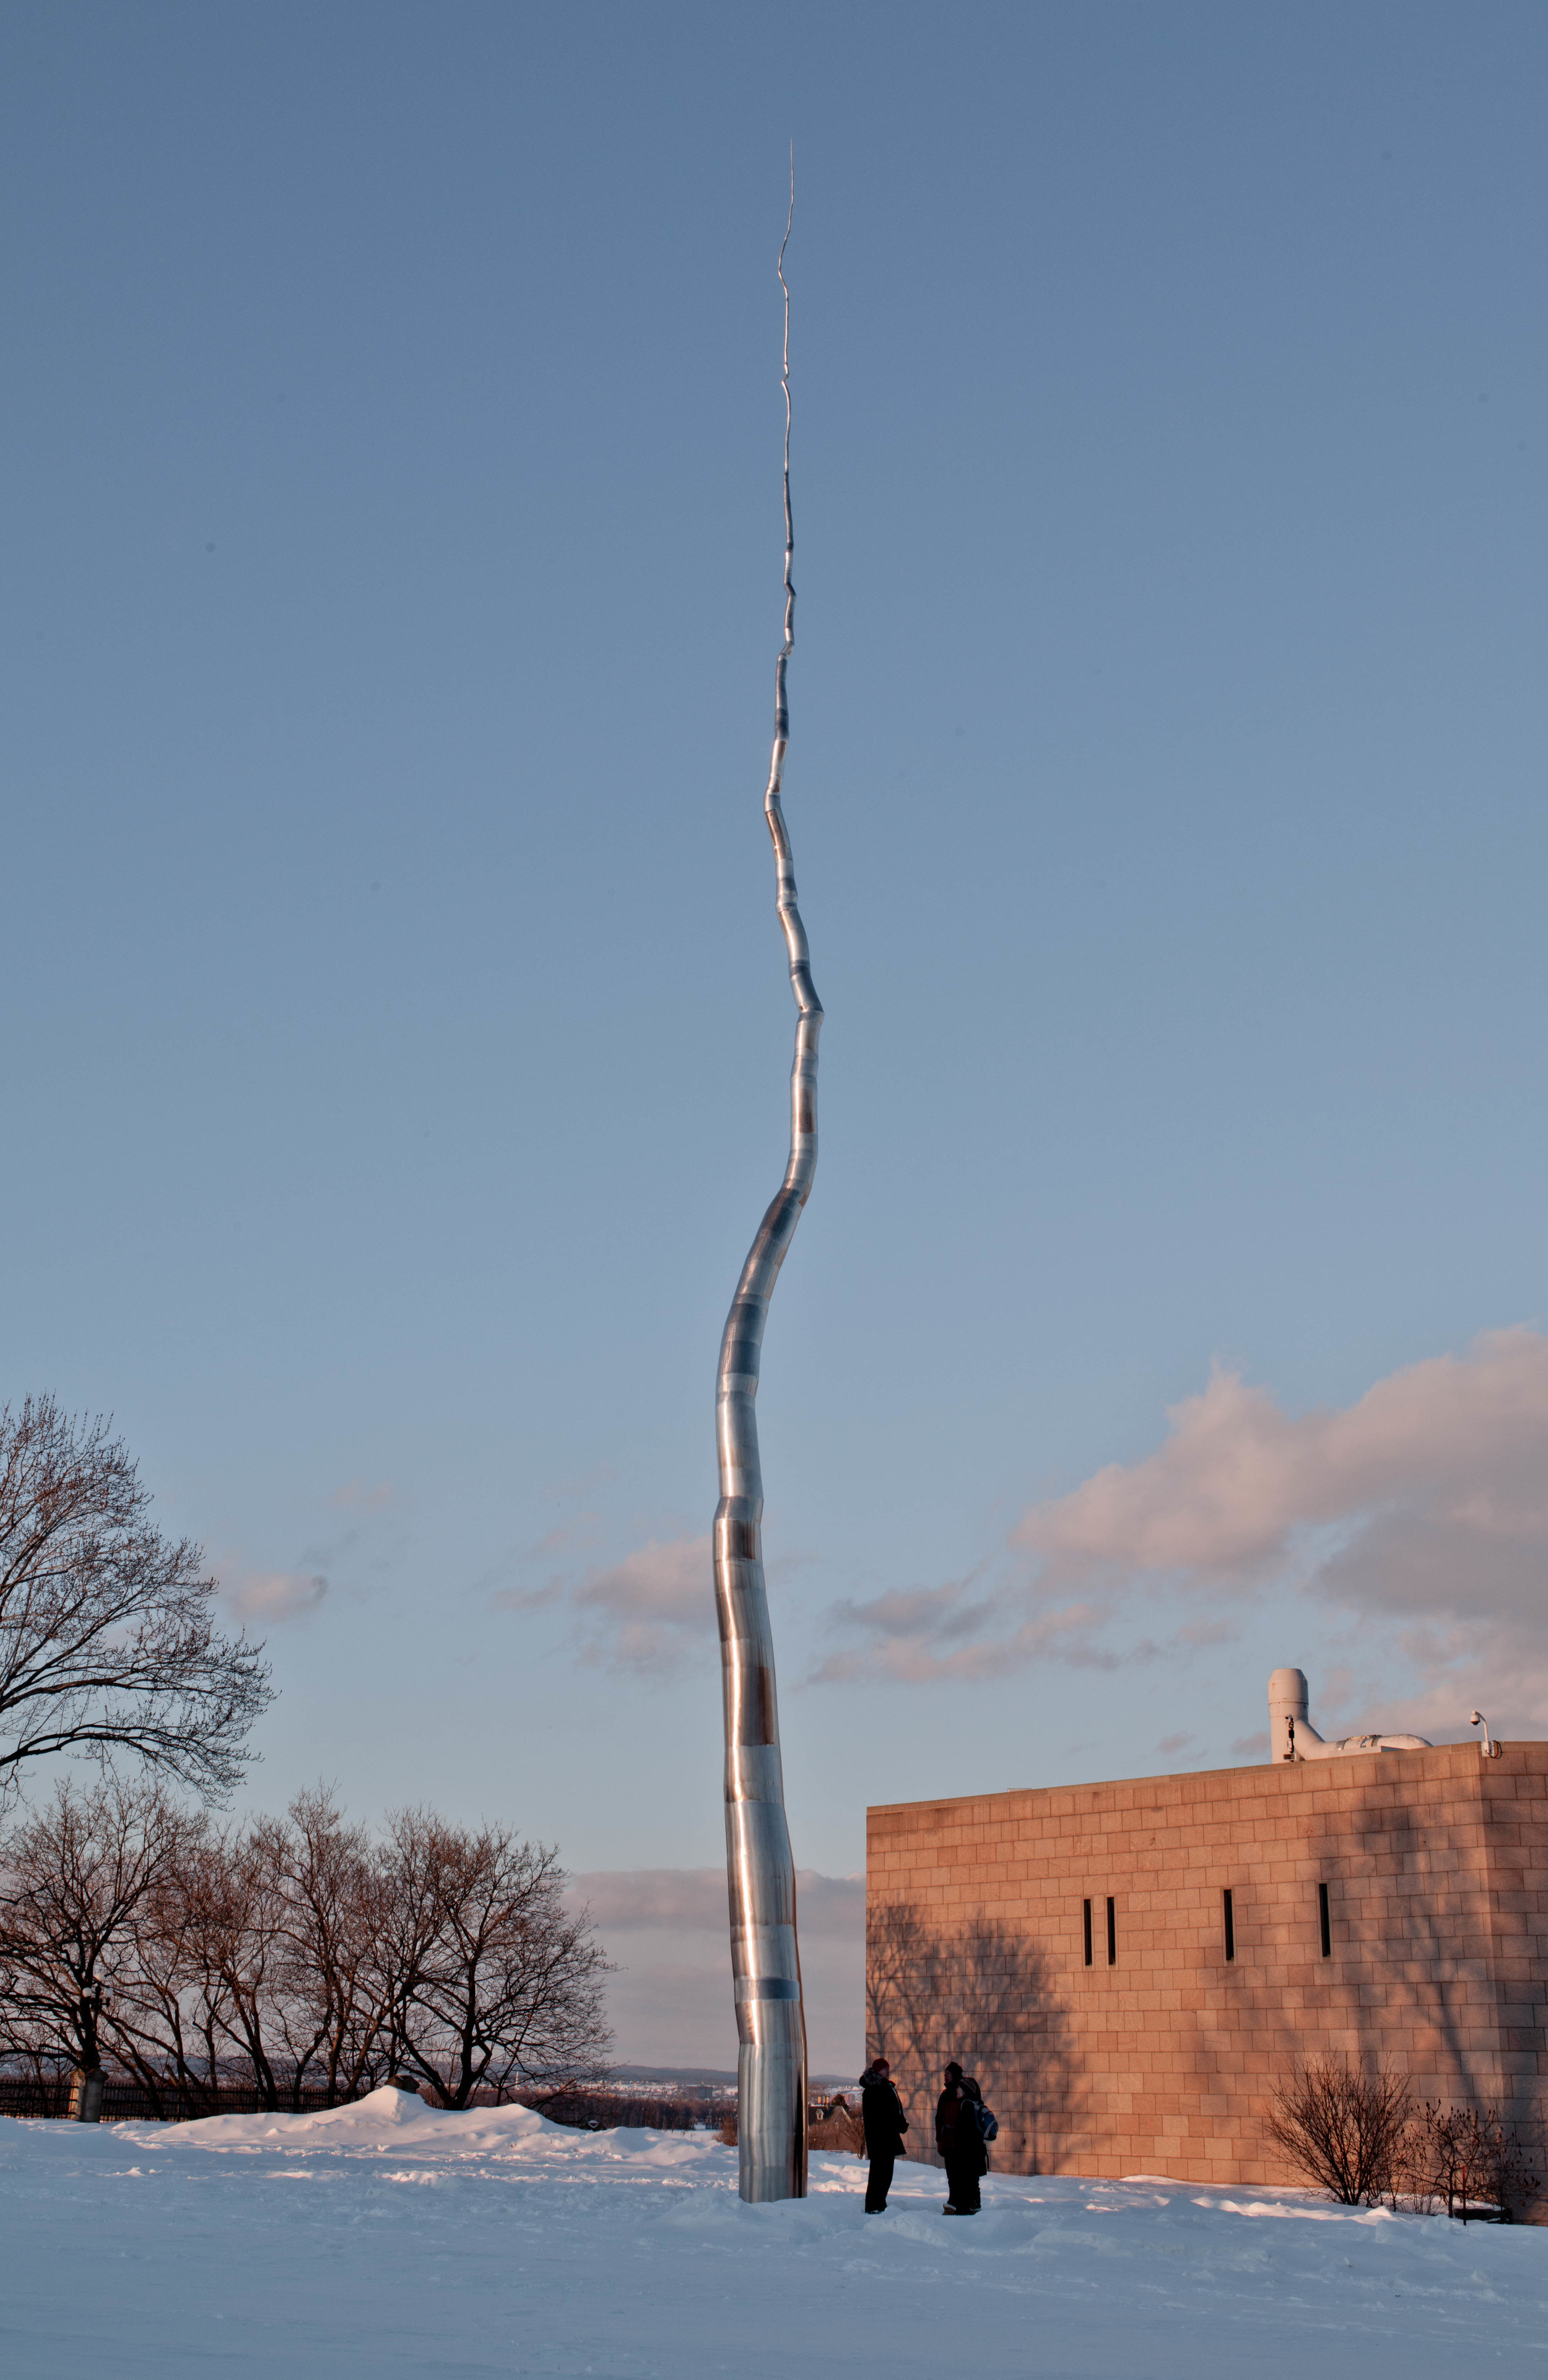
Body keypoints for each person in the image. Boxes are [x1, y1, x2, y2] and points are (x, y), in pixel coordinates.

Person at [935, 2061, 987, 2215]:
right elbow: (939, 2118)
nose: (945, 2076)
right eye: (945, 2073)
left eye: (948, 2074)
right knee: (953, 2176)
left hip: (963, 2145)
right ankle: (957, 2202)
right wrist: (940, 2140)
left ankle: (966, 2204)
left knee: (967, 2177)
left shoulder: (967, 2098)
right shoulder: (946, 2095)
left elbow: (967, 2126)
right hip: (949, 2143)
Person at [859, 2055, 908, 2212]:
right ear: (879, 2071)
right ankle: (874, 2205)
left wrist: (900, 2124)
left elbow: (892, 2112)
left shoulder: (883, 2088)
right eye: (886, 2069)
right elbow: (887, 2114)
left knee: (884, 2174)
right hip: (881, 2139)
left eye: (888, 2069)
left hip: (884, 2138)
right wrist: (900, 2124)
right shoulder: (877, 2090)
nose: (889, 2071)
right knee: (880, 2175)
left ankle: (878, 2203)